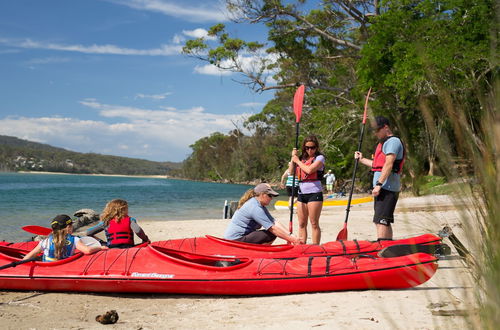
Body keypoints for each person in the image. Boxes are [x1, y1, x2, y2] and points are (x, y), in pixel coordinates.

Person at [354, 116, 405, 240]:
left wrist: (379, 184)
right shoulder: (383, 143)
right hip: (383, 187)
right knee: (380, 220)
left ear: (386, 127)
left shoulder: (393, 141)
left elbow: (389, 164)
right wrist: (361, 159)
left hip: (387, 187)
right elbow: (377, 165)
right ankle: (385, 246)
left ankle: (383, 245)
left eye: (377, 130)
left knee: (382, 221)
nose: (375, 133)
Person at [224, 183, 301, 245]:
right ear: (262, 194)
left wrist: (291, 236)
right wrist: (292, 239)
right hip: (234, 241)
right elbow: (273, 228)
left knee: (272, 233)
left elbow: (274, 222)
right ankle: (260, 253)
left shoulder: (258, 204)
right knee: (271, 234)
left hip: (236, 238)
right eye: (270, 195)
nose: (271, 198)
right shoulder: (255, 207)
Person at [23, 214, 107, 262]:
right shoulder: (74, 240)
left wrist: (23, 263)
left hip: (48, 266)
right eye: (71, 226)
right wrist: (100, 247)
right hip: (64, 266)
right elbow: (87, 250)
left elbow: (31, 255)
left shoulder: (46, 241)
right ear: (68, 227)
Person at [289, 135, 325, 244]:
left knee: (314, 223)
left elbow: (309, 170)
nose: (310, 150)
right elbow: (291, 172)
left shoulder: (320, 158)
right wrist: (293, 158)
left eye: (312, 147)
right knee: (301, 224)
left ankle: (315, 248)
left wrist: (297, 161)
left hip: (314, 193)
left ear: (316, 147)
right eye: (307, 148)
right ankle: (302, 247)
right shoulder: (301, 158)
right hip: (301, 193)